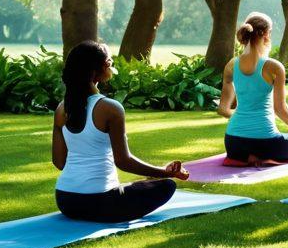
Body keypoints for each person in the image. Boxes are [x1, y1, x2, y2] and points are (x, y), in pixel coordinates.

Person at [52, 41, 188, 222]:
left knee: (139, 186)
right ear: (98, 69)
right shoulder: (110, 108)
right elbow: (123, 161)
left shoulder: (62, 109)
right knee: (167, 186)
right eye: (109, 61)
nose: (111, 63)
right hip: (100, 202)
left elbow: (60, 162)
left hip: (66, 200)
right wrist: (165, 173)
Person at [217, 12, 288, 165]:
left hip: (233, 144)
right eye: (270, 32)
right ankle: (262, 156)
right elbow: (280, 109)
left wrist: (245, 120)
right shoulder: (274, 67)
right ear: (265, 34)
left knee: (245, 148)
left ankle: (249, 157)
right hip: (266, 142)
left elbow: (223, 109)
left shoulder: (231, 65)